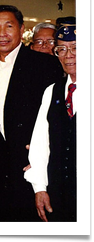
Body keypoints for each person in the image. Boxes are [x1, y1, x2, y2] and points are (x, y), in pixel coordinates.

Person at [0, 5, 63, 222]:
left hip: (29, 160)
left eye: (9, 26)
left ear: (21, 29)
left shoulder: (44, 64)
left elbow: (55, 116)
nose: (2, 33)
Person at [24, 24, 77, 222]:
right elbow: (39, 143)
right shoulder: (52, 91)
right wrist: (39, 187)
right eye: (61, 49)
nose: (68, 55)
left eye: (76, 47)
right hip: (57, 190)